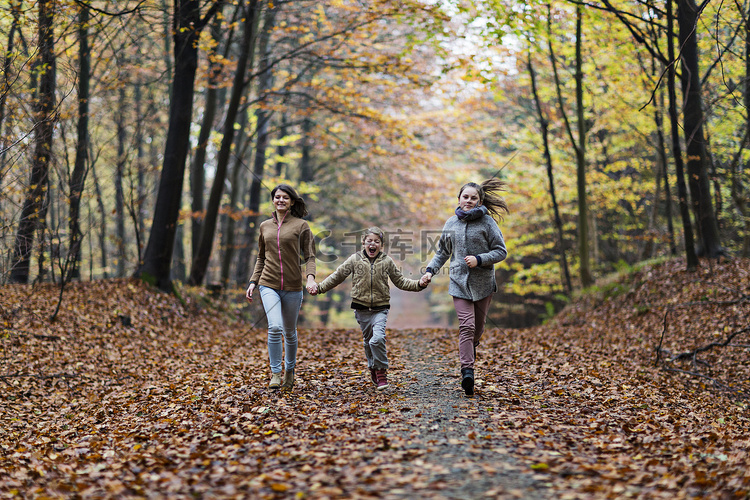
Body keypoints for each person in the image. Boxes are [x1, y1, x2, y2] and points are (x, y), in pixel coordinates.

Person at [419, 178, 509, 397]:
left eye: (473, 198)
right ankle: (467, 372)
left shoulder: (488, 223)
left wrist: (479, 259)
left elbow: (501, 251)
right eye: (465, 197)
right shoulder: (451, 223)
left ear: (479, 201)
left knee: (477, 330)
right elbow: (442, 252)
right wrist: (430, 271)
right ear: (459, 199)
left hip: (483, 285)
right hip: (459, 284)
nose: (468, 201)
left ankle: (472, 347)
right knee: (466, 327)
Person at [310, 227, 427, 390]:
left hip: (380, 308)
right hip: (361, 308)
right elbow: (337, 276)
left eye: (377, 242)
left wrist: (419, 284)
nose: (373, 244)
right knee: (368, 342)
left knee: (377, 339)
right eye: (369, 241)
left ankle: (381, 372)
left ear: (381, 245)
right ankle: (373, 366)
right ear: (363, 242)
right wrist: (320, 288)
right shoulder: (354, 259)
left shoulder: (386, 262)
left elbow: (400, 281)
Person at [246, 184, 317, 390]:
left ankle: (290, 369)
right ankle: (275, 373)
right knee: (274, 327)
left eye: (285, 197)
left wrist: (310, 279)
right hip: (268, 284)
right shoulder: (264, 226)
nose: (280, 200)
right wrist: (253, 281)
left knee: (290, 332)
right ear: (273, 200)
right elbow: (261, 257)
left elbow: (310, 256)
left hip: (294, 286)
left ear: (292, 201)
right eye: (277, 197)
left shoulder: (301, 226)